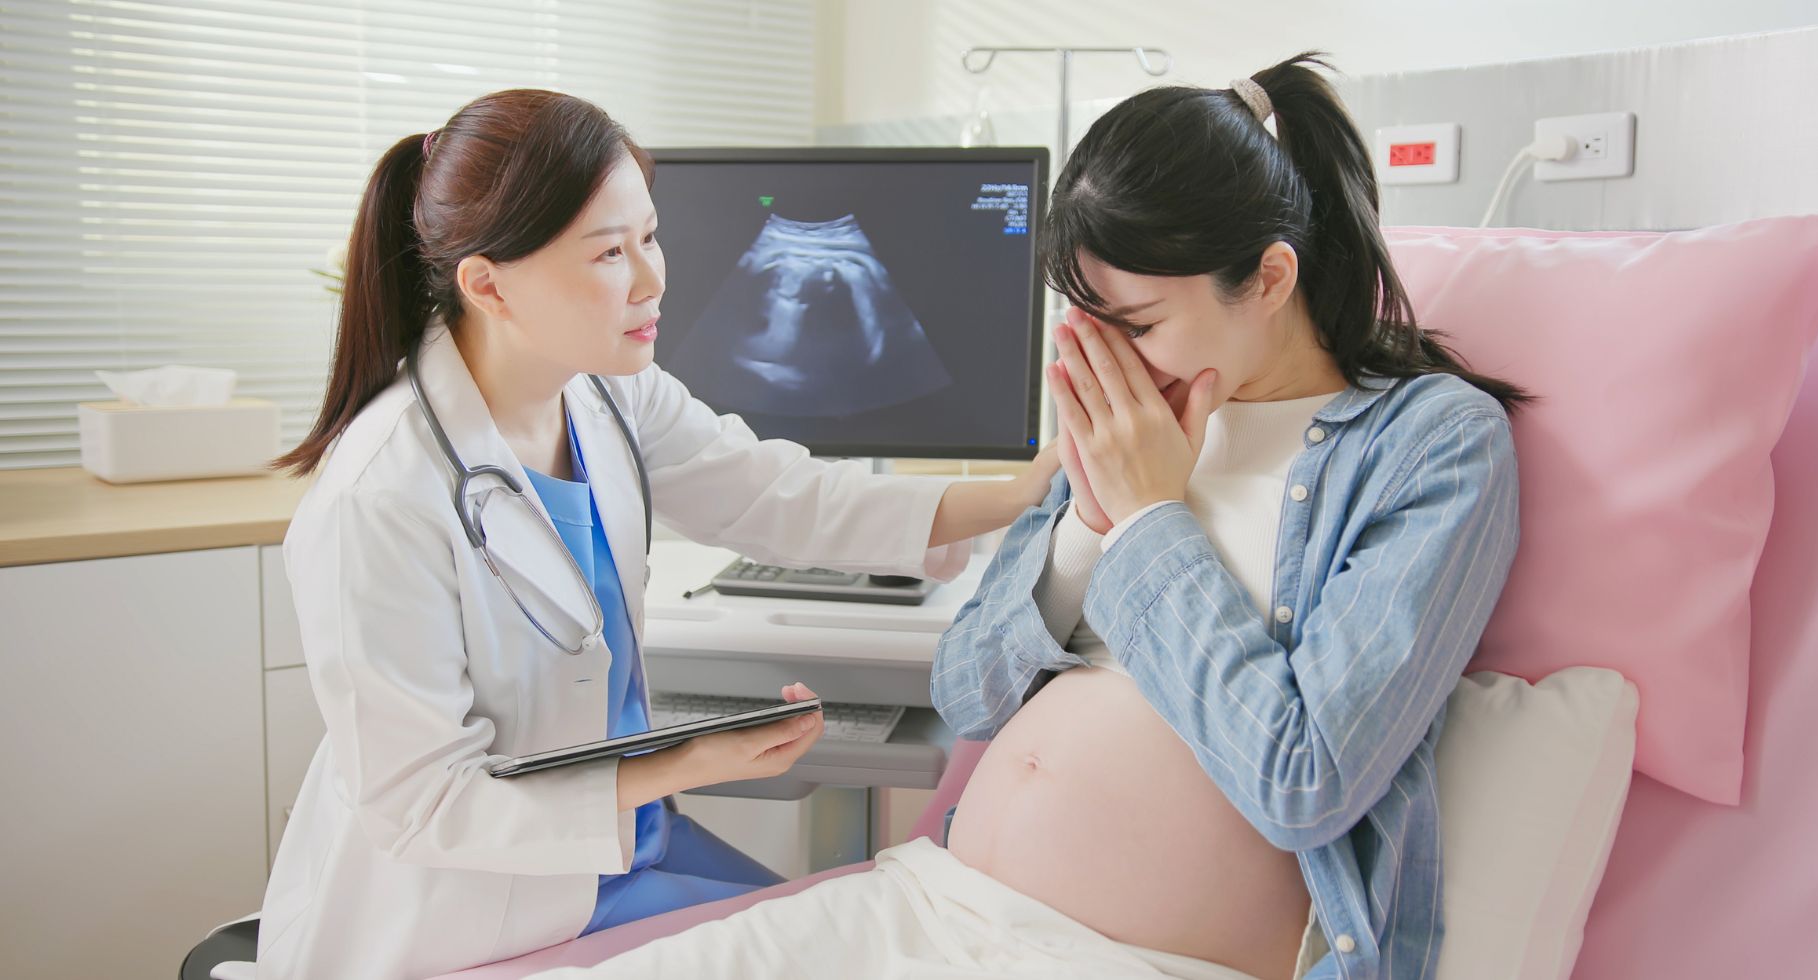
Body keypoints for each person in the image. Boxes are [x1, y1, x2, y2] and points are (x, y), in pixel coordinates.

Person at [526, 53, 1524, 980]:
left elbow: (1303, 779)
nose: (1110, 362)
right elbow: (969, 691)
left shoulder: (1427, 444)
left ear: (1267, 277)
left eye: (1137, 323)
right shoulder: (1138, 419)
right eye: (1089, 323)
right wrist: (1084, 530)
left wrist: (1145, 521)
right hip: (936, 904)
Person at [256, 88, 1056, 980]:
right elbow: (424, 808)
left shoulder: (605, 391)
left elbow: (776, 495)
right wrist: (691, 757)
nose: (653, 279)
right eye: (608, 253)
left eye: (651, 236)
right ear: (486, 283)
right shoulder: (381, 496)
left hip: (628, 846)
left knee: (866, 929)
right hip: (481, 903)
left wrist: (1022, 493)